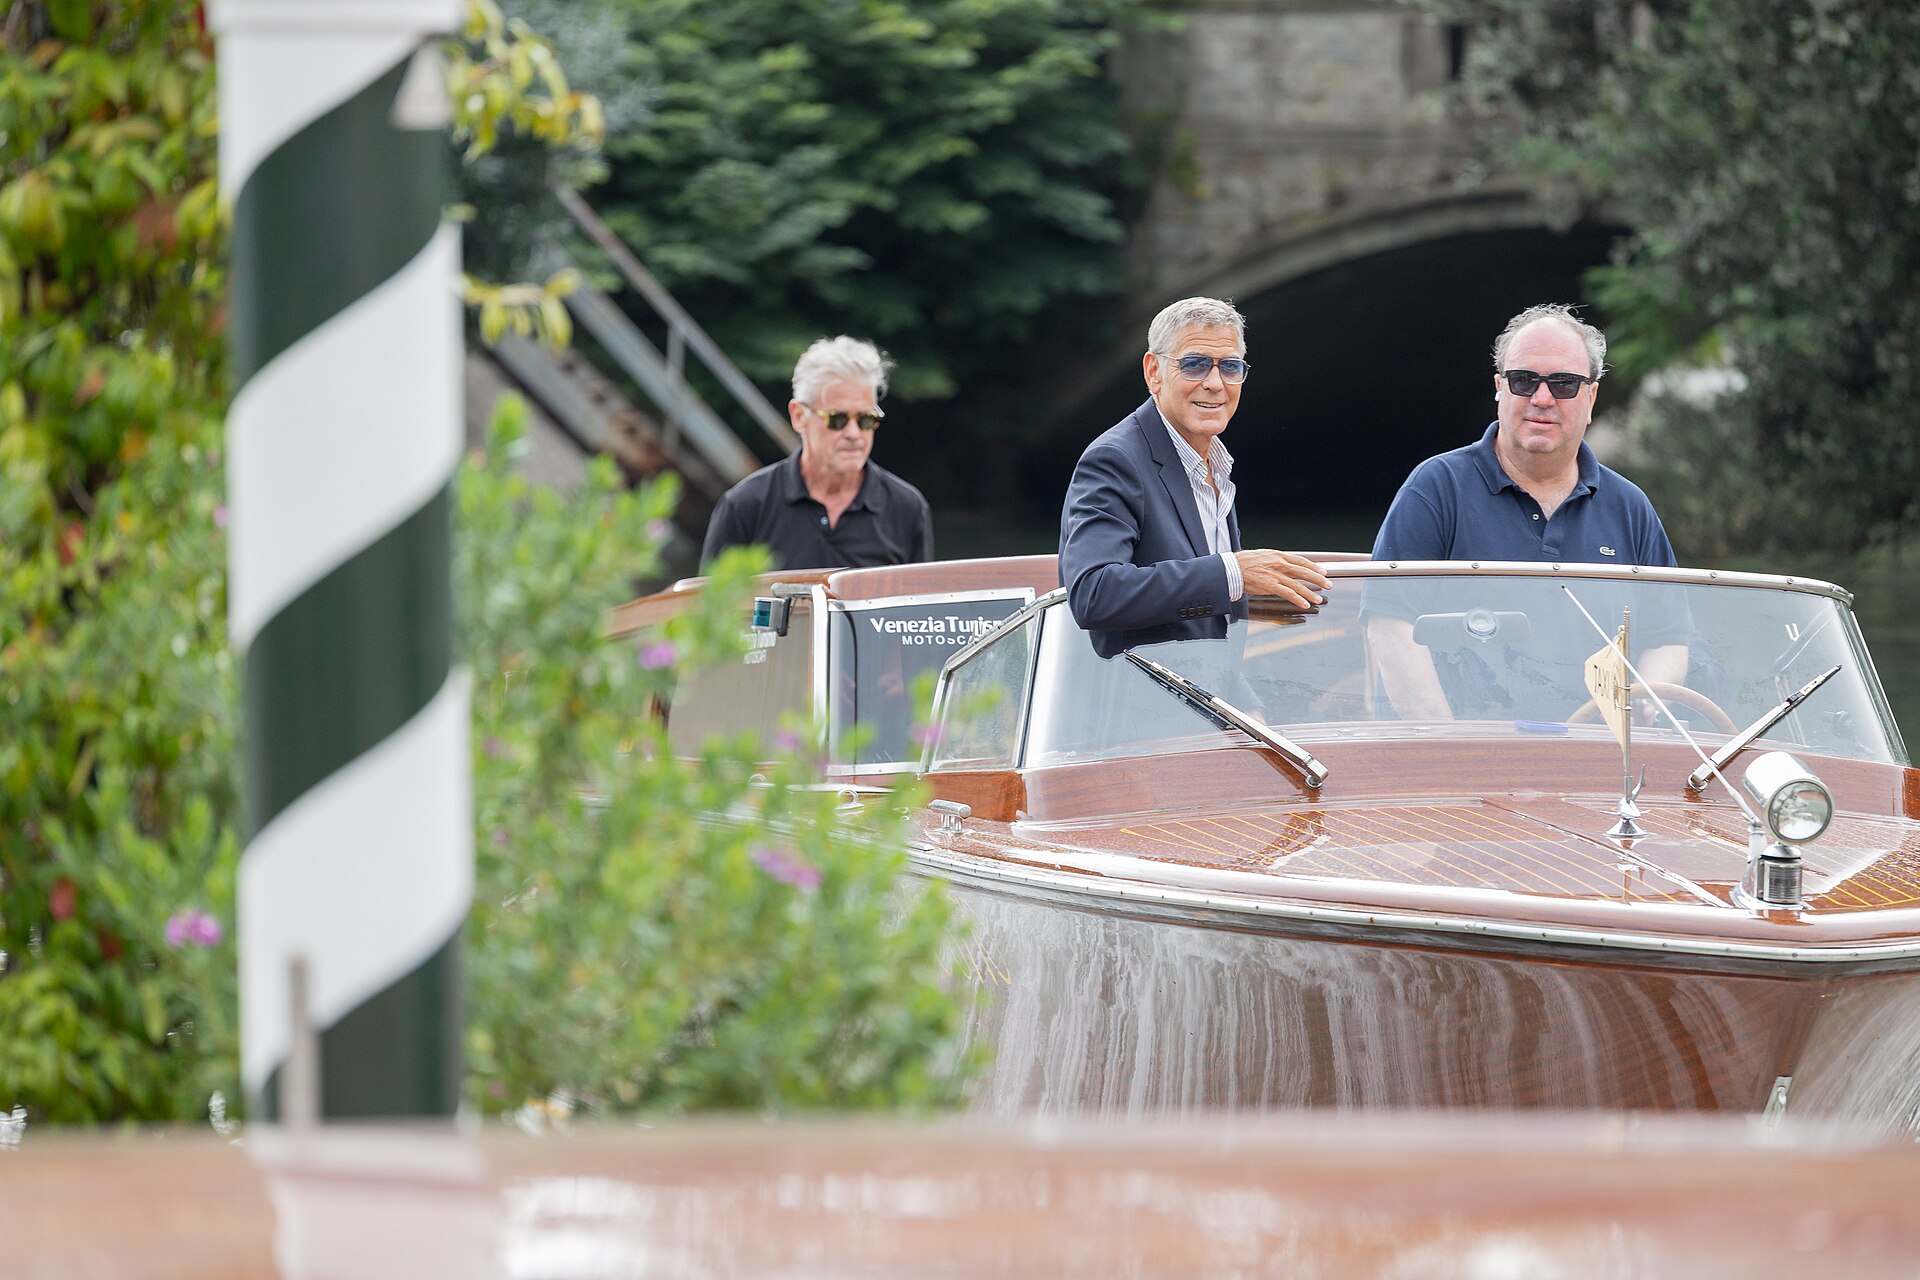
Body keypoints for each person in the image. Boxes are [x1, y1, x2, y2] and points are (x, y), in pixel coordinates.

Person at [1366, 303, 1685, 719]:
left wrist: (1642, 710)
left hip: (1595, 763)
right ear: (1500, 388)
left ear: (1590, 398)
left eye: (1564, 384)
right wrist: (1447, 749)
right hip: (1455, 764)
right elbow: (1390, 627)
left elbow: (1669, 638)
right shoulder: (1435, 487)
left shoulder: (1630, 507)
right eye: (1524, 380)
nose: (1542, 398)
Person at [1059, 296, 1329, 660]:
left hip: (1205, 700)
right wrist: (1232, 572)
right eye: (1195, 365)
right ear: (1154, 372)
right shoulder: (1115, 459)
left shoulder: (1214, 461)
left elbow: (1214, 623)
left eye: (1230, 367)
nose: (1215, 383)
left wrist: (1242, 701)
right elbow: (1094, 593)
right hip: (1135, 706)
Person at [700, 336, 934, 570]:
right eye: (837, 419)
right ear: (799, 416)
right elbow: (709, 605)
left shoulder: (907, 508)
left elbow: (922, 606)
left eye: (865, 419)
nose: (853, 433)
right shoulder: (744, 506)